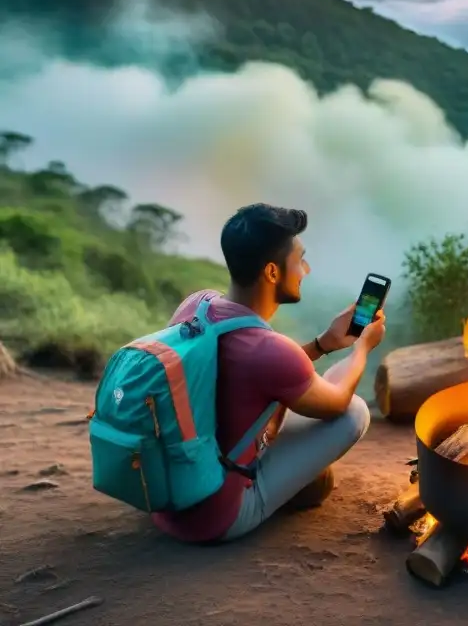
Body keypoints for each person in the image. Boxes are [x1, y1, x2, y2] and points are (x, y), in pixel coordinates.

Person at [151, 203, 385, 543]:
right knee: (354, 413)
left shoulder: (197, 305)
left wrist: (323, 343)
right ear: (273, 273)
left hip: (170, 500)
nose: (306, 269)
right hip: (217, 518)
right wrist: (362, 348)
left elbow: (259, 370)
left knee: (301, 402)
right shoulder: (268, 349)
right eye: (300, 260)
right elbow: (335, 405)